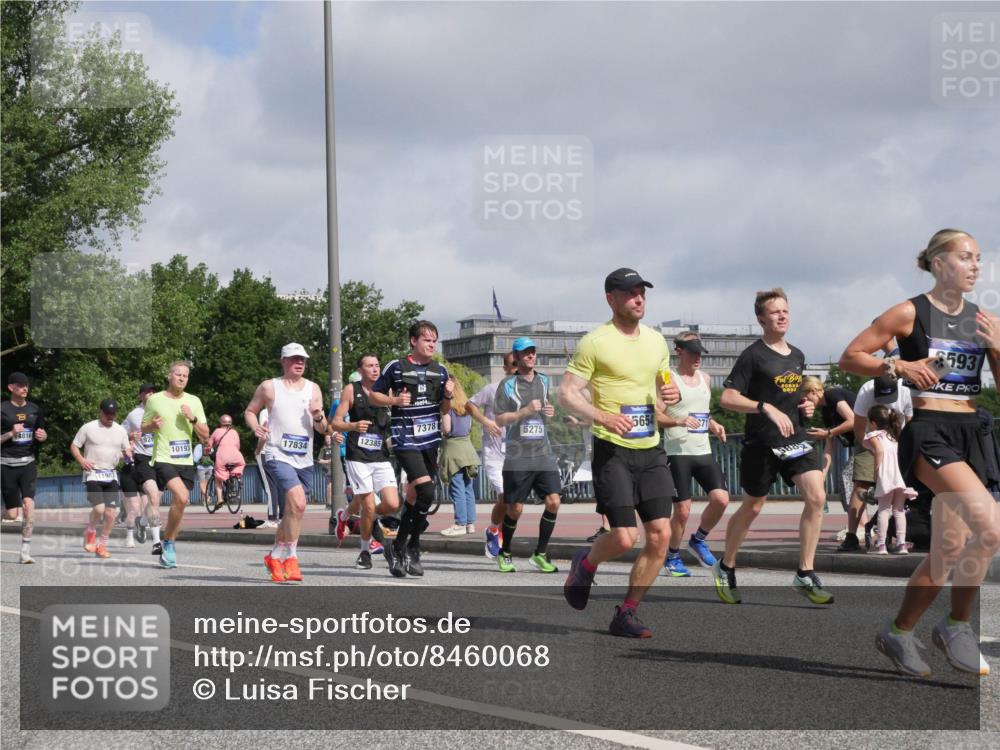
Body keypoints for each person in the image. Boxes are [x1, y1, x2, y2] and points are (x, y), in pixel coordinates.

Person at [839, 228, 998, 677]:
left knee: (948, 547)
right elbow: (851, 356)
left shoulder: (983, 319)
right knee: (991, 525)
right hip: (929, 430)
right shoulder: (911, 312)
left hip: (972, 428)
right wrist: (899, 364)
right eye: (965, 257)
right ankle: (957, 627)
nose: (975, 266)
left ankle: (899, 632)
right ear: (938, 263)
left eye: (978, 258)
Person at [559, 268, 680, 638]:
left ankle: (626, 613)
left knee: (660, 535)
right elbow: (567, 392)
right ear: (611, 299)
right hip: (613, 451)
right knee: (626, 538)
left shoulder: (657, 341)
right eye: (630, 293)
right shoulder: (595, 342)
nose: (639, 298)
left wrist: (670, 395)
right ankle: (586, 561)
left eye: (642, 291)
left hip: (651, 449)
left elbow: (662, 385)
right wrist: (603, 417)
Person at [714, 288, 833, 606]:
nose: (782, 316)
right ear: (761, 319)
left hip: (795, 440)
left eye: (785, 311)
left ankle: (805, 573)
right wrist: (765, 407)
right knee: (752, 507)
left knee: (817, 496)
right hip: (762, 443)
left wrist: (806, 406)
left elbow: (794, 395)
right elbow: (728, 398)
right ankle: (726, 566)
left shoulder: (797, 355)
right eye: (775, 312)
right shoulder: (753, 355)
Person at [369, 321, 455, 578]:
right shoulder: (396, 367)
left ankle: (398, 546)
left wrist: (449, 396)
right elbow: (374, 395)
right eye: (427, 340)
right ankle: (413, 547)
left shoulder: (440, 371)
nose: (431, 345)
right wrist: (395, 400)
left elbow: (444, 410)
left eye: (434, 340)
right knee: (427, 490)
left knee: (417, 498)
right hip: (405, 438)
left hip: (430, 440)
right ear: (413, 341)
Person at [245, 343, 327, 583]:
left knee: (294, 510)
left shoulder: (313, 389)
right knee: (299, 503)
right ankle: (290, 557)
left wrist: (318, 416)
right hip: (276, 453)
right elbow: (250, 411)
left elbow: (323, 428)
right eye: (294, 359)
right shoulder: (270, 387)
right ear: (283, 361)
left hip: (304, 458)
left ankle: (275, 555)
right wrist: (255, 427)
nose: (299, 363)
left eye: (302, 359)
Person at [660, 332, 730, 577]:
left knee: (721, 499)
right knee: (682, 511)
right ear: (679, 351)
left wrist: (714, 425)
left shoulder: (706, 378)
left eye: (701, 352)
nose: (698, 357)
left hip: (703, 450)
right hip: (677, 452)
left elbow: (702, 412)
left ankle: (698, 540)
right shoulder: (668, 379)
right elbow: (656, 414)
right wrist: (679, 420)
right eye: (693, 351)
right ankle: (672, 556)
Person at [493, 338, 562, 573]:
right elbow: (500, 419)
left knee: (554, 501)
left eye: (533, 352)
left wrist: (549, 411)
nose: (531, 356)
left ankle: (540, 554)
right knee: (516, 509)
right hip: (518, 455)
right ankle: (506, 552)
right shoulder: (507, 385)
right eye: (526, 353)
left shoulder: (543, 380)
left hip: (543, 453)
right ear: (517, 356)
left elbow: (545, 408)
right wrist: (524, 411)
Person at [329, 354, 399, 569]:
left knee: (392, 504)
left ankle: (350, 515)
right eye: (370, 366)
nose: (375, 369)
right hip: (357, 455)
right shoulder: (352, 390)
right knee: (368, 504)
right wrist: (352, 426)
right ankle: (364, 551)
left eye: (377, 365)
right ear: (360, 370)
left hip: (380, 454)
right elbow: (336, 422)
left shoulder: (387, 390)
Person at [142, 360, 209, 569]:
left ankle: (168, 540)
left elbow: (205, 435)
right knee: (182, 496)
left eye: (185, 375)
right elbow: (143, 428)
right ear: (169, 376)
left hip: (186, 460)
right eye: (178, 374)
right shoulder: (155, 400)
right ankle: (169, 545)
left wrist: (193, 418)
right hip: (163, 458)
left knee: (180, 503)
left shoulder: (194, 401)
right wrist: (152, 425)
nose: (182, 378)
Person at [842, 367, 914, 551]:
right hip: (870, 438)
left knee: (891, 503)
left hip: (896, 440)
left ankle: (890, 538)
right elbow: (858, 425)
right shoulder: (866, 391)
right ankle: (851, 535)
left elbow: (909, 420)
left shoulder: (905, 390)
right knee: (862, 483)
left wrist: (902, 447)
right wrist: (869, 446)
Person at [466, 352, 517, 557]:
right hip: (495, 454)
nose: (517, 369)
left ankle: (500, 535)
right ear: (505, 368)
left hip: (517, 454)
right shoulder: (491, 389)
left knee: (515, 502)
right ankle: (494, 530)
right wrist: (486, 422)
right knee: (505, 497)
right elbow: (469, 405)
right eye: (513, 365)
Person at [71, 399, 131, 559]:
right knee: (99, 509)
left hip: (111, 474)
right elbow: (74, 445)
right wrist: (81, 460)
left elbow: (127, 449)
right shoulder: (88, 427)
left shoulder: (120, 430)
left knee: (111, 513)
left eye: (113, 414)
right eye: (107, 414)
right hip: (93, 473)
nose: (110, 417)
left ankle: (102, 545)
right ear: (100, 412)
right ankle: (90, 531)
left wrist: (129, 454)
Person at [1, 372, 47, 564]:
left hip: (27, 462)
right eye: (20, 385)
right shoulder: (2, 410)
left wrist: (43, 436)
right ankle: (8, 513)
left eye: (27, 385)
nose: (25, 388)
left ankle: (25, 551)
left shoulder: (34, 409)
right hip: (6, 464)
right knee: (12, 514)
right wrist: (11, 433)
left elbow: (42, 434)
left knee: (29, 506)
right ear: (11, 388)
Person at [863, 405, 917, 555]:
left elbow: (879, 451)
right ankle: (901, 544)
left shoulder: (874, 435)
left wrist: (876, 472)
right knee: (899, 510)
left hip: (886, 475)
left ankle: (881, 545)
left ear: (873, 423)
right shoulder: (896, 436)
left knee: (884, 510)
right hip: (900, 476)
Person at [801, 376, 857, 515]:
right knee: (852, 482)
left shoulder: (832, 395)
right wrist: (823, 474)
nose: (805, 403)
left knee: (847, 478)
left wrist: (829, 432)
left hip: (874, 441)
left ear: (814, 391)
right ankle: (860, 524)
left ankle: (858, 526)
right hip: (864, 444)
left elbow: (853, 420)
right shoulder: (826, 410)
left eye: (806, 398)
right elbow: (829, 445)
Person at [121, 383, 162, 549]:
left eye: (153, 392)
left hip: (160, 459)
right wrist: (130, 435)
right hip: (139, 461)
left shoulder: (162, 411)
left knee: (155, 499)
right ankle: (154, 540)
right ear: (140, 396)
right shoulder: (133, 415)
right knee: (136, 506)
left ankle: (143, 522)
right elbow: (120, 432)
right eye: (147, 392)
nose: (150, 394)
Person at [440, 377, 481, 537]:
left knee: (456, 487)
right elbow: (469, 428)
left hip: (453, 450)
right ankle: (470, 523)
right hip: (468, 448)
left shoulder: (447, 407)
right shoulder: (467, 406)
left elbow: (447, 429)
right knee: (467, 487)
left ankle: (459, 523)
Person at [209, 414, 246, 510]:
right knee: (241, 464)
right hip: (236, 455)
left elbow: (209, 445)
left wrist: (206, 451)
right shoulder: (234, 432)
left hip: (222, 456)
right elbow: (238, 445)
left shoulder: (217, 431)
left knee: (218, 477)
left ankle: (220, 499)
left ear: (220, 423)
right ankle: (234, 477)